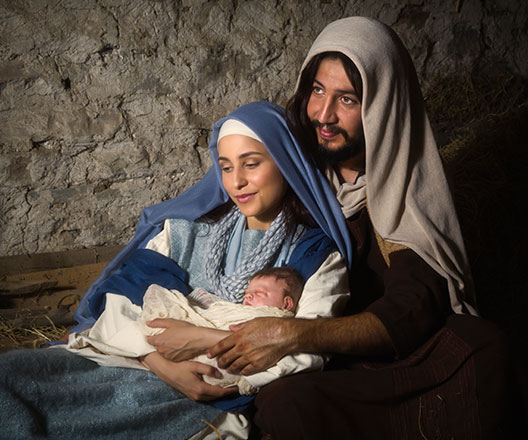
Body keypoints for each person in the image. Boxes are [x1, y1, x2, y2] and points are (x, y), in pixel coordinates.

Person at [199, 17, 519, 439]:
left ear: (381, 106)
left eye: (347, 99)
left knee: (487, 356)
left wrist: (294, 334)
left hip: (371, 345)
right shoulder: (292, 162)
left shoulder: (401, 193)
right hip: (297, 332)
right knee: (280, 402)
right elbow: (208, 212)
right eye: (317, 90)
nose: (324, 115)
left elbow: (412, 309)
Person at [0, 101, 351, 440]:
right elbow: (123, 302)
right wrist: (159, 362)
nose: (237, 182)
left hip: (201, 392)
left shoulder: (311, 253)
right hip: (134, 359)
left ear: (286, 163)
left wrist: (202, 340)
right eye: (226, 167)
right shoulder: (187, 231)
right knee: (11, 376)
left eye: (251, 163)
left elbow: (307, 345)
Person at [65, 267, 305, 396]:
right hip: (171, 354)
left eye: (261, 293)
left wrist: (199, 331)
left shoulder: (278, 323)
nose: (250, 296)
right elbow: (219, 312)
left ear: (286, 304)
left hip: (212, 366)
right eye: (248, 293)